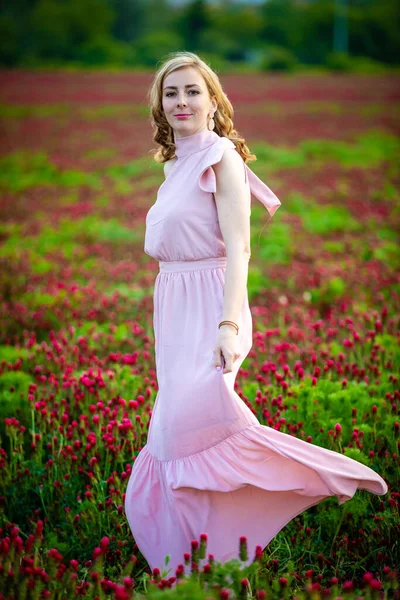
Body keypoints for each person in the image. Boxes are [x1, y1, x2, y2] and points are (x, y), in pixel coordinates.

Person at [124, 51, 388, 577]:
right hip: (173, 307)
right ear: (158, 103)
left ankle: (321, 479)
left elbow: (239, 249)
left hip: (212, 305)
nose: (181, 101)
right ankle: (197, 560)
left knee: (194, 432)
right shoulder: (174, 163)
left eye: (192, 91)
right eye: (171, 92)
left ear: (213, 100)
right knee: (176, 436)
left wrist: (228, 326)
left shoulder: (219, 156)